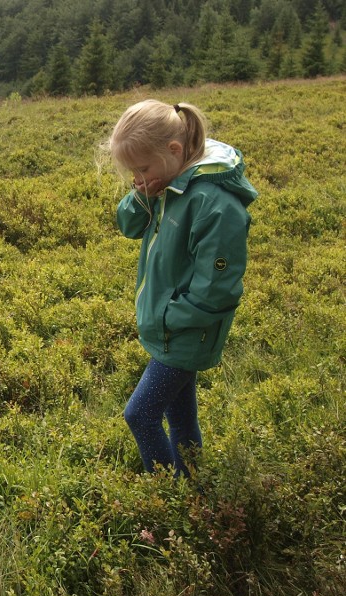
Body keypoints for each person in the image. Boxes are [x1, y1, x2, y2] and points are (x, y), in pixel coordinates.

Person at [107, 99, 258, 476]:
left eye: (142, 168)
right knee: (181, 418)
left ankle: (165, 500)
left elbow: (218, 287)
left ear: (174, 150)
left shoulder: (213, 202)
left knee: (140, 415)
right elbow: (128, 225)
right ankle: (193, 489)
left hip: (185, 331)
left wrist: (170, 316)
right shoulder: (168, 180)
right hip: (172, 327)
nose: (138, 176)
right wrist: (145, 189)